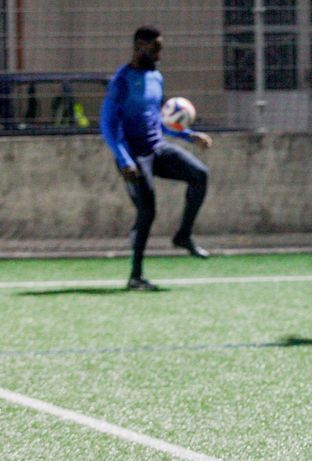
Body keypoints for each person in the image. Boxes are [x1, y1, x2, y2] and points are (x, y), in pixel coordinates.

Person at [101, 26, 213, 291]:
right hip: (133, 156)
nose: (160, 53)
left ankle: (183, 235)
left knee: (200, 175)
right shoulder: (121, 81)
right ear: (140, 47)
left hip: (157, 149)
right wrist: (124, 159)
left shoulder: (156, 77)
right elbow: (108, 125)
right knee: (147, 211)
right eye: (156, 48)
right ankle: (135, 276)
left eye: (161, 47)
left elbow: (160, 122)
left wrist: (189, 135)